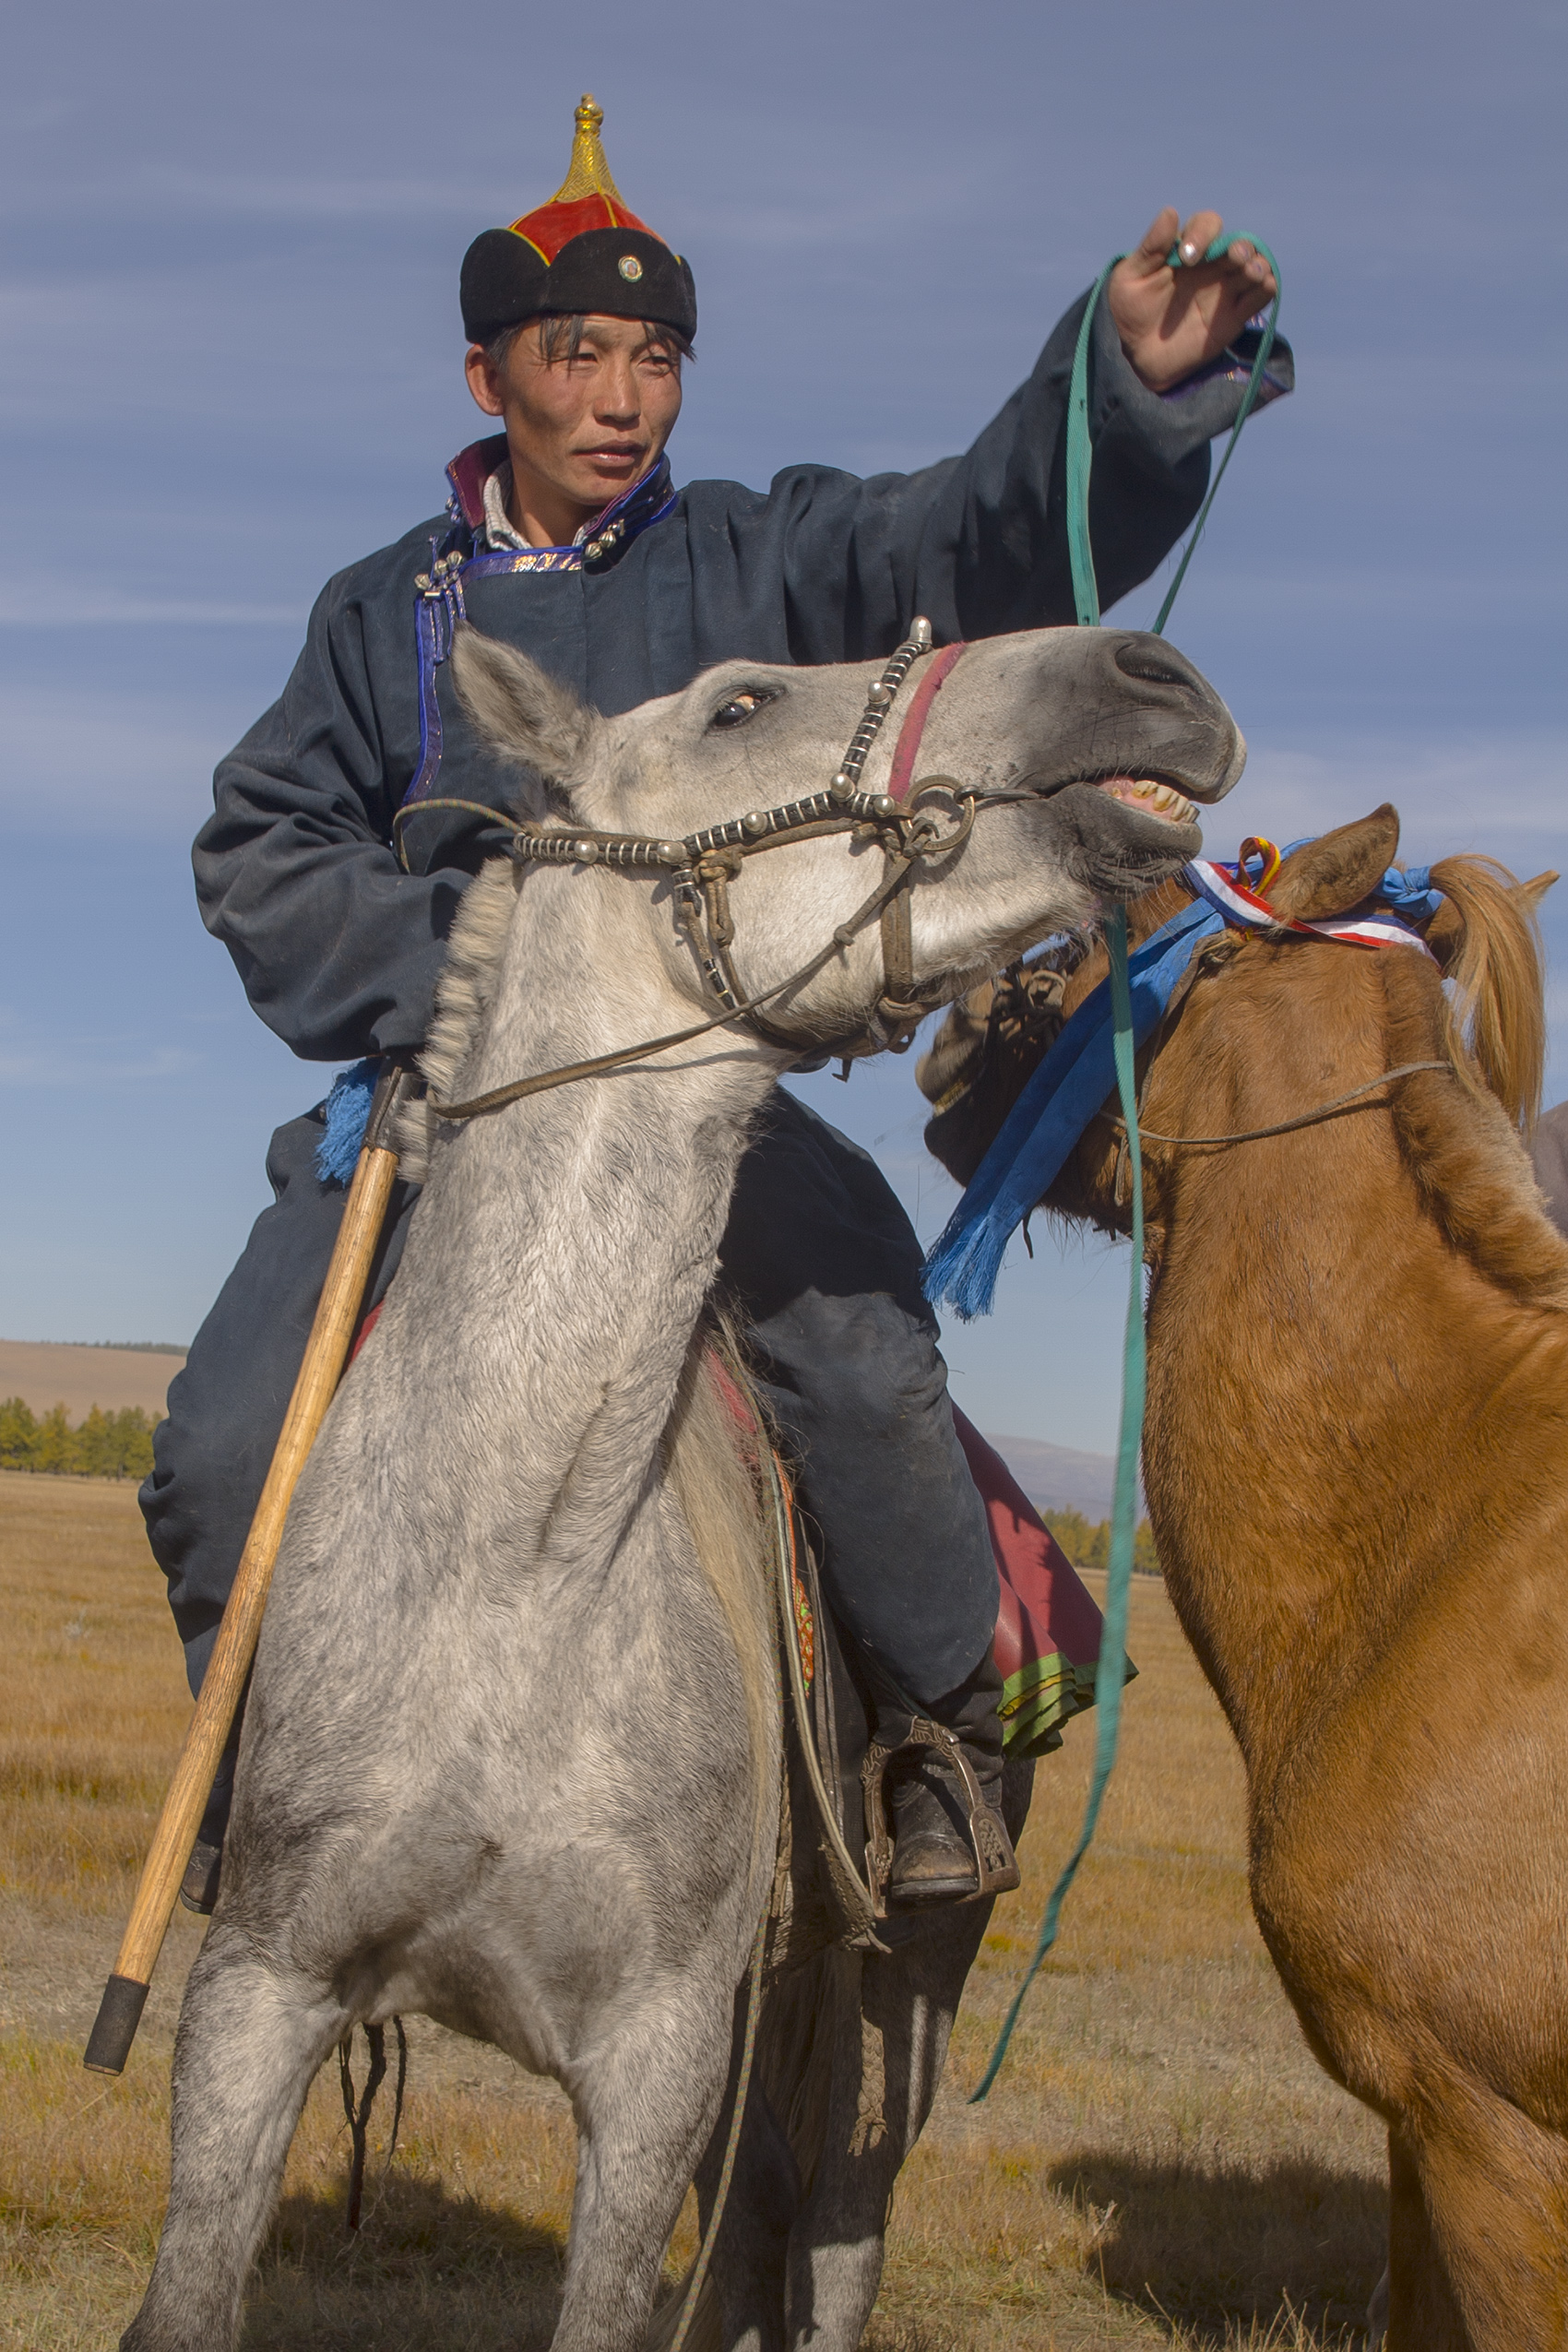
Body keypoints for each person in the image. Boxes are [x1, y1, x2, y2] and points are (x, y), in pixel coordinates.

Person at [142, 96, 1291, 1916]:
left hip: (696, 1105)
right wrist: (472, 976)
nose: (620, 397)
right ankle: (265, 1803)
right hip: (437, 1114)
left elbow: (973, 534)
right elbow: (260, 844)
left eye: (656, 355)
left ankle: (941, 1730)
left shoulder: (763, 558)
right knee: (215, 1450)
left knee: (851, 1341)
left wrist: (1124, 403)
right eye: (577, 352)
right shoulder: (385, 618)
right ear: (486, 371)